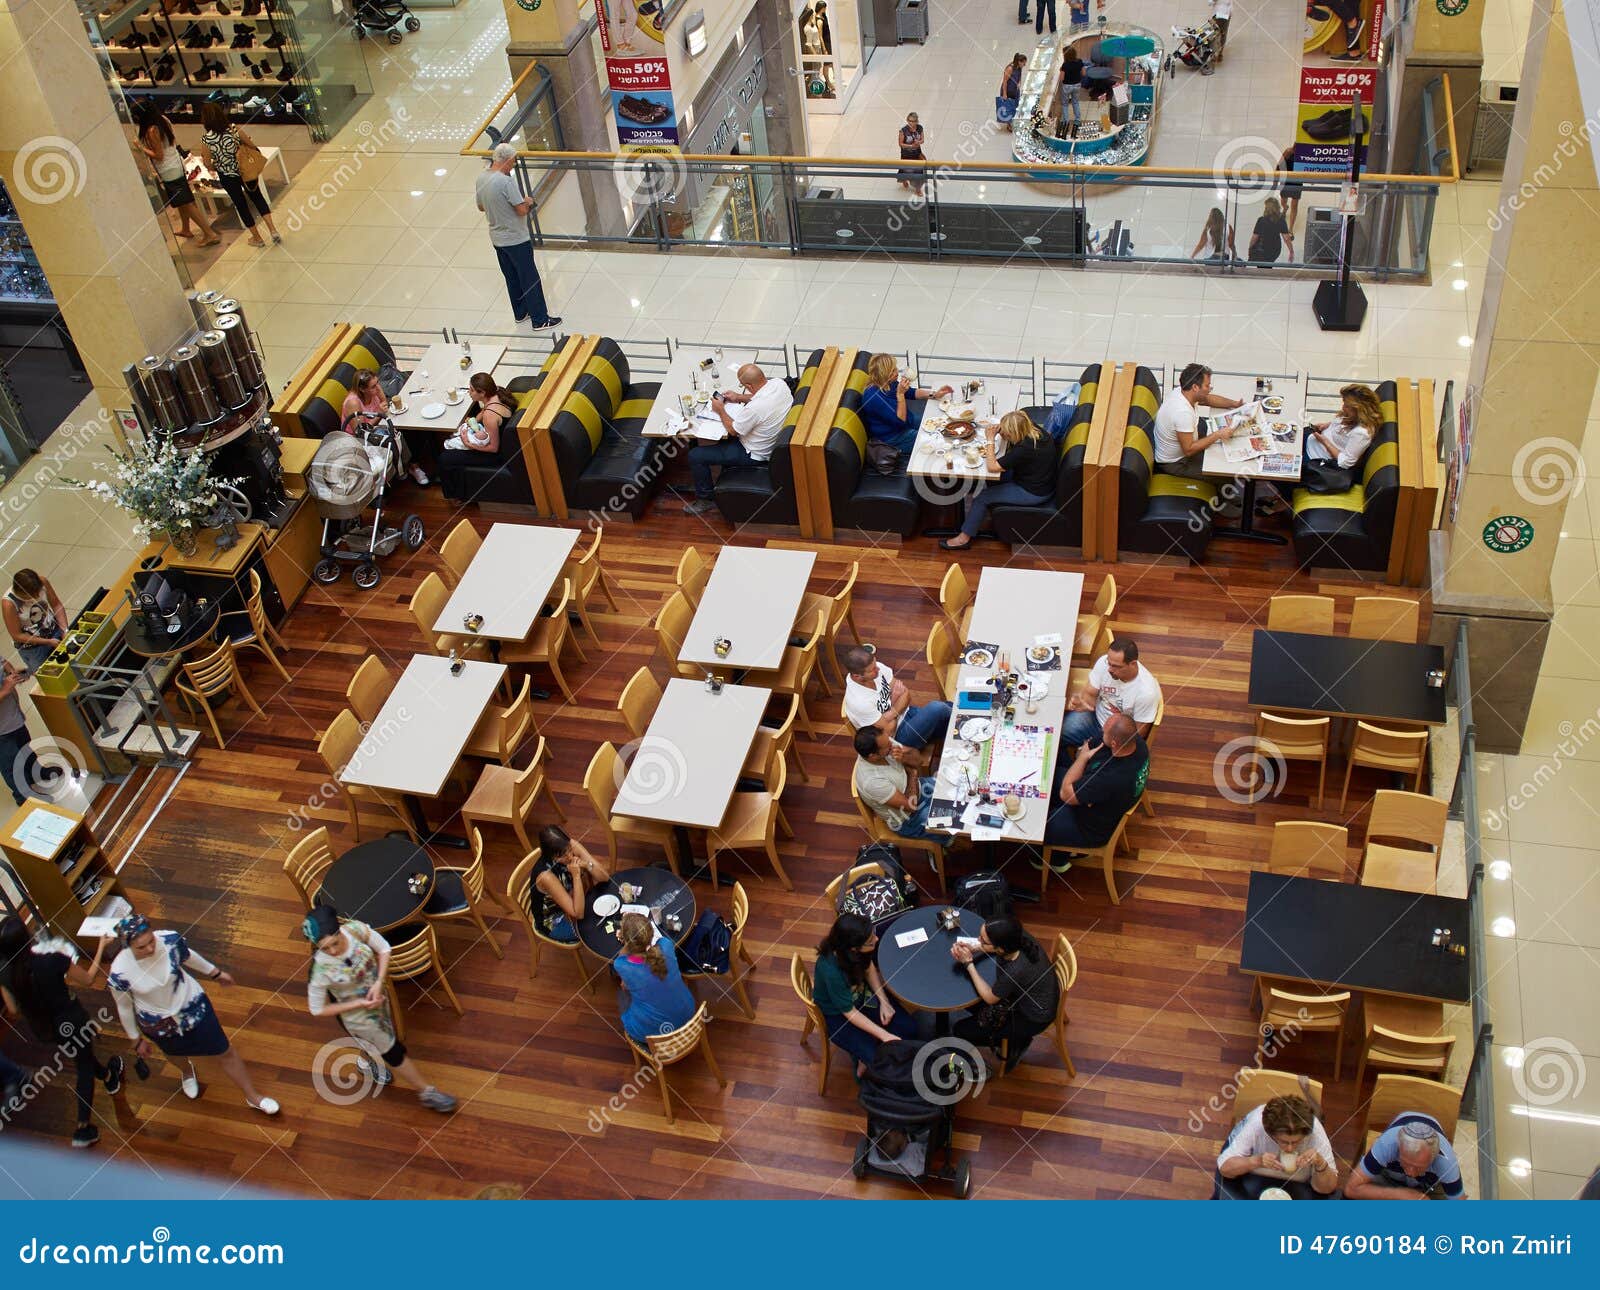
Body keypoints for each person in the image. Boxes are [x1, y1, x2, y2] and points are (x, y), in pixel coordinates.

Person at [106, 913, 279, 1116]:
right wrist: (135, 1040)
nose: (150, 949)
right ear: (128, 946)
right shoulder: (119, 972)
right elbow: (124, 1007)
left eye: (151, 941)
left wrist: (215, 973)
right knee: (173, 1054)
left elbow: (189, 956)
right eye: (141, 947)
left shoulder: (169, 941)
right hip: (159, 1024)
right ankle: (187, 1072)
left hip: (193, 1007)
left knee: (224, 1050)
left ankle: (253, 1097)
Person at [302, 905, 457, 1113]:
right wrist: (359, 1003)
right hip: (359, 1018)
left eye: (334, 944)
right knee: (393, 1050)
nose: (332, 951)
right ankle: (427, 1093)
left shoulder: (356, 930)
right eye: (324, 948)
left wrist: (378, 982)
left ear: (340, 929)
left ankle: (366, 1061)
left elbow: (384, 948)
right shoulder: (319, 969)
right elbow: (316, 1009)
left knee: (379, 1041)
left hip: (379, 1000)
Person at [0, 917, 123, 1149]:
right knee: (83, 1068)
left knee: (81, 1053)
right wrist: (100, 948)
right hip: (72, 1021)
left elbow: (14, 1010)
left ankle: (108, 1076)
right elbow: (88, 979)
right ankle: (82, 1128)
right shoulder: (52, 960)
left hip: (45, 1030)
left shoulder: (5, 975)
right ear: (27, 941)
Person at [813, 912, 917, 1075]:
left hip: (861, 996)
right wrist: (884, 1035)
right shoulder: (831, 972)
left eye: (873, 933)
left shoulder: (857, 949)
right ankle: (863, 1058)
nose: (876, 939)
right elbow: (849, 1012)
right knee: (878, 1060)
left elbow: (868, 969)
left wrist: (884, 1002)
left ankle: (865, 1052)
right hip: (838, 1014)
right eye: (870, 941)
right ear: (854, 948)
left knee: (909, 1029)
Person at [950, 916, 1059, 1071]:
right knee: (971, 1002)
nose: (978, 940)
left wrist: (968, 963)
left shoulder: (1015, 971)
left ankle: (1017, 1042)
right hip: (1037, 995)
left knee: (960, 1030)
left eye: (983, 940)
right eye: (980, 936)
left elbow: (990, 997)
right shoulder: (1018, 937)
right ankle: (1013, 1038)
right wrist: (977, 946)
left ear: (1000, 949)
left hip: (1033, 1018)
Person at [684, 364, 794, 516]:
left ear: (749, 385)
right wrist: (738, 398)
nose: (744, 388)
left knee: (695, 455)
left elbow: (733, 430)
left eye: (743, 386)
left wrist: (720, 409)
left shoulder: (755, 409)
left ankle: (705, 499)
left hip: (754, 453)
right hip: (769, 440)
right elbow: (758, 396)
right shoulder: (779, 384)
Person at [940, 410, 1057, 551]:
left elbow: (992, 466)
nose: (1003, 434)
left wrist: (990, 440)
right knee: (989, 480)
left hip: (1034, 492)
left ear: (1015, 432)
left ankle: (963, 539)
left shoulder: (1024, 449)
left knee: (982, 498)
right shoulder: (1033, 429)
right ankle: (978, 515)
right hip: (1040, 479)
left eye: (1007, 432)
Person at [476, 142, 561, 330]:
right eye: (513, 162)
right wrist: (528, 202)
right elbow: (521, 210)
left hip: (497, 239)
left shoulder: (482, 178)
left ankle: (521, 312)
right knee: (530, 278)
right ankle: (540, 319)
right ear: (506, 161)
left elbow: (481, 206)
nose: (513, 165)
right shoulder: (506, 182)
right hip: (516, 239)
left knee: (511, 276)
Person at [1042, 711, 1148, 853]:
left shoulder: (1110, 778)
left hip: (1089, 827)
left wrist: (1083, 758)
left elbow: (1065, 794)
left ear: (1114, 744)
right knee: (1047, 777)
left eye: (1104, 733)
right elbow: (1089, 744)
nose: (1101, 733)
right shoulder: (1136, 742)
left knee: (1039, 828)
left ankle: (1057, 860)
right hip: (1095, 799)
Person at [1215, 1094, 1340, 1199]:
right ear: (1270, 1133)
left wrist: (1320, 1163)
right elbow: (1225, 1169)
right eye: (1284, 1142)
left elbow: (1327, 1189)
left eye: (1297, 1142)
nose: (1290, 1149)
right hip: (1254, 1179)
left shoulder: (1315, 1132)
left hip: (1298, 1185)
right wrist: (1255, 1161)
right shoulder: (1256, 1126)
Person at [198, 101, 281, 248]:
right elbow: (251, 145)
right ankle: (273, 230)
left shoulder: (207, 139)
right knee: (257, 197)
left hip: (227, 176)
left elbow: (207, 163)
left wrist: (218, 163)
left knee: (241, 205)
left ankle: (257, 237)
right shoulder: (233, 129)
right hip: (245, 171)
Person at [852, 725, 948, 847]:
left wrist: (904, 758)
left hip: (919, 787)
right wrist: (912, 775)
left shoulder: (885, 743)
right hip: (908, 819)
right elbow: (911, 807)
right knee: (952, 822)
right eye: (887, 746)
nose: (891, 745)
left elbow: (918, 761)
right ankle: (946, 844)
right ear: (873, 756)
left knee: (955, 789)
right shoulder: (871, 781)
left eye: (889, 741)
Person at [842, 646, 952, 752]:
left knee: (947, 715)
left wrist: (890, 713)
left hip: (908, 713)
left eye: (876, 664)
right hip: (897, 739)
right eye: (872, 670)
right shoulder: (859, 702)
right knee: (937, 708)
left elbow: (906, 694)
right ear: (857, 676)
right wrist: (894, 703)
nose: (878, 669)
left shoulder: (875, 668)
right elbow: (888, 732)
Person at [136, 108, 218, 247]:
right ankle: (186, 229)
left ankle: (210, 234)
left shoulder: (152, 130)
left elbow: (159, 156)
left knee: (186, 204)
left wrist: (140, 147)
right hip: (176, 164)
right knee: (182, 202)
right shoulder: (163, 120)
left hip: (168, 170)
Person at [1152, 362, 1245, 479]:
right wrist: (1218, 435)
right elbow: (1189, 450)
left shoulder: (1183, 392)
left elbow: (1207, 400)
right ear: (1195, 387)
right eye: (1207, 386)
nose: (1209, 389)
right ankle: (1226, 496)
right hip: (1177, 463)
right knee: (1227, 475)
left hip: (1187, 447)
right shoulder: (1182, 413)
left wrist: (1234, 404)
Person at [613, 912, 695, 1043]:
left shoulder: (622, 965)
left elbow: (621, 958)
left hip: (654, 1033)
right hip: (687, 1012)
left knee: (621, 993)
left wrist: (626, 946)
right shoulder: (666, 945)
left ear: (627, 941)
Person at [1063, 637, 1161, 746]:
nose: (1109, 669)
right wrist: (1085, 703)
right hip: (1096, 716)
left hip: (1116, 736)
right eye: (1109, 663)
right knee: (1056, 733)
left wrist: (1106, 740)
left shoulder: (1146, 693)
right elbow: (1090, 694)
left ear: (1133, 664)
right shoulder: (1104, 662)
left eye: (1115, 666)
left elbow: (1138, 734)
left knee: (1089, 757)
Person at [341, 369, 431, 487]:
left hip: (378, 424)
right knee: (402, 433)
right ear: (362, 389)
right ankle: (410, 467)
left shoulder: (373, 390)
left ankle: (416, 461)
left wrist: (379, 395)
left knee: (414, 424)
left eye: (377, 382)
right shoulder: (353, 403)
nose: (377, 387)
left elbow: (384, 402)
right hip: (361, 440)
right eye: (373, 386)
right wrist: (379, 413)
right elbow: (362, 433)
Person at [1345, 1113, 1466, 1199]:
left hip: (1429, 1187)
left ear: (1434, 1157)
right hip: (1387, 1178)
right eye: (1405, 1163)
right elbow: (1351, 1189)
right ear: (1398, 1148)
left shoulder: (1446, 1162)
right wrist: (1400, 1195)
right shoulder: (1387, 1144)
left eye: (1419, 1167)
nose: (1410, 1173)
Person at [859, 353, 952, 458]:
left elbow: (911, 392)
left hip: (908, 421)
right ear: (884, 374)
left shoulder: (887, 382)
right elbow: (900, 422)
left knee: (942, 424)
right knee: (939, 441)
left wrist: (934, 394)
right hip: (895, 437)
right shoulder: (874, 397)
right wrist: (900, 394)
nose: (897, 371)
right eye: (893, 370)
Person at [529, 826, 610, 943]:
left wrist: (588, 865)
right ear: (551, 856)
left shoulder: (569, 845)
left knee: (607, 911)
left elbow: (604, 877)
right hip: (555, 919)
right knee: (599, 927)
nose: (570, 856)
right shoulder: (546, 876)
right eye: (563, 855)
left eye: (569, 849)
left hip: (572, 899)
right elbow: (578, 914)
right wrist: (576, 876)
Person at [435, 372, 515, 486]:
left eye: (471, 390)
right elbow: (483, 411)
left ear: (482, 393)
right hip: (496, 440)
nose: (469, 392)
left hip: (495, 455)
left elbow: (493, 448)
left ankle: (456, 495)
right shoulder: (497, 394)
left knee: (444, 458)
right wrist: (472, 422)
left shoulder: (490, 415)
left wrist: (468, 444)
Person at [1306, 382, 1382, 468]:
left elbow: (1345, 463)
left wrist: (1324, 441)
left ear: (1359, 410)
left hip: (1313, 457)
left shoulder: (1361, 433)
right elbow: (1340, 426)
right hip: (1312, 440)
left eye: (1347, 406)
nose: (1343, 407)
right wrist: (1327, 425)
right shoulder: (1352, 416)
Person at [4, 568, 67, 671]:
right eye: (31, 595)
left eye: (38, 593)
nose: (37, 596)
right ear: (21, 593)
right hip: (33, 648)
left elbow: (56, 605)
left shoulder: (42, 581)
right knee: (51, 677)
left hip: (54, 631)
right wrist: (48, 642)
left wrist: (64, 630)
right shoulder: (9, 604)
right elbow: (17, 635)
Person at [0, 659, 37, 807]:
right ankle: (22, 795)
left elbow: (3, 661)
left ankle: (36, 773)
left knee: (26, 747)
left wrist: (12, 673)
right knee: (11, 762)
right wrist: (6, 689)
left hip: (12, 717)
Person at [1247, 195, 1294, 264]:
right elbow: (1286, 238)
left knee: (1259, 263)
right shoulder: (1281, 220)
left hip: (1261, 249)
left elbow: (1255, 237)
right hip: (1274, 249)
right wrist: (1291, 251)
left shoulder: (1261, 220)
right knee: (1267, 264)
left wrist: (1250, 248)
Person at [896, 114, 926, 195]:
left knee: (919, 171)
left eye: (913, 121)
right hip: (906, 155)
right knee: (906, 170)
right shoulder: (903, 131)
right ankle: (904, 179)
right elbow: (901, 144)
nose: (910, 123)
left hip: (917, 153)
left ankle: (918, 189)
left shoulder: (920, 128)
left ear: (917, 121)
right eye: (909, 121)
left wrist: (918, 142)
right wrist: (911, 146)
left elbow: (922, 140)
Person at [1058, 49, 1085, 133]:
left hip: (1067, 86)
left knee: (1065, 104)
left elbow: (1061, 78)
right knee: (1075, 102)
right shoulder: (1080, 61)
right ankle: (1077, 120)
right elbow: (1084, 73)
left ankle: (1066, 122)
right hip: (1077, 85)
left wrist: (1061, 71)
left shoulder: (1065, 65)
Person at [998, 54, 1027, 129]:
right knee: (1008, 106)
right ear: (1019, 62)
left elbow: (1019, 76)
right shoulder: (1010, 69)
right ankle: (1009, 124)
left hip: (1015, 90)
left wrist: (1019, 83)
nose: (1024, 65)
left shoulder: (1019, 68)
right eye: (1023, 63)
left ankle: (1010, 120)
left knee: (1014, 105)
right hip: (1008, 90)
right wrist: (1004, 93)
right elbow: (1005, 81)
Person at [1277, 147, 1303, 230]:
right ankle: (1285, 208)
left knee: (1294, 205)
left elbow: (1308, 166)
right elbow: (1279, 165)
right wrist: (1275, 177)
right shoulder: (1288, 151)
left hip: (1297, 181)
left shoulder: (1305, 154)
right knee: (1283, 201)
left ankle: (1290, 229)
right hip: (1286, 180)